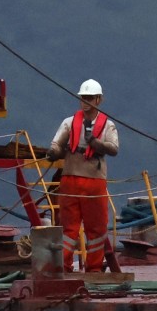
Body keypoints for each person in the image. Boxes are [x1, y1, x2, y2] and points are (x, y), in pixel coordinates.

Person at [46, 79, 119, 272]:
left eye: (89, 98)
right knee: (68, 227)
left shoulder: (108, 126)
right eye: (83, 98)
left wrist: (95, 143)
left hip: (94, 181)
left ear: (98, 100)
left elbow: (113, 148)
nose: (85, 101)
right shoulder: (69, 123)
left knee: (96, 228)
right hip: (70, 179)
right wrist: (53, 152)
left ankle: (94, 267)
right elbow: (56, 144)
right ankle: (64, 265)